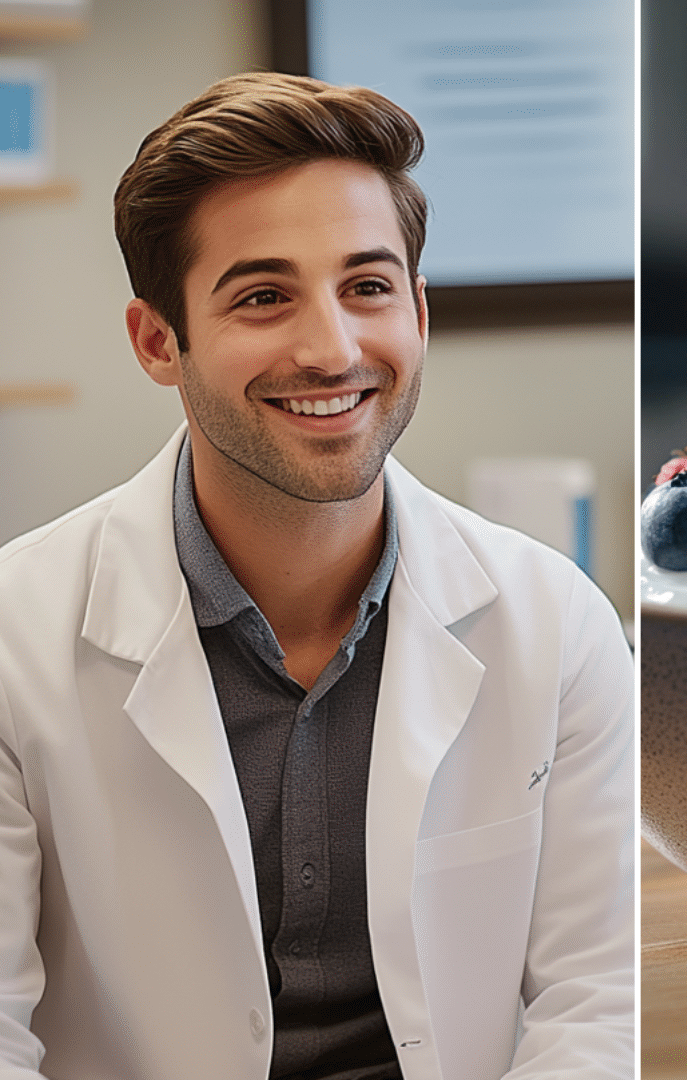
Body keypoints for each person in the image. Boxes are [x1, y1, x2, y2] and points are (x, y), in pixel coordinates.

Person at [0, 74, 633, 1076]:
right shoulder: (12, 637)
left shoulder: (557, 625)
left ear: (419, 311)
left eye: (368, 287)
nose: (332, 349)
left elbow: (602, 1004)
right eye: (263, 296)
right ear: (160, 342)